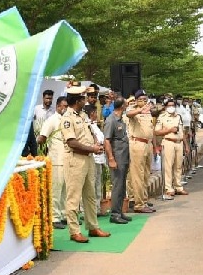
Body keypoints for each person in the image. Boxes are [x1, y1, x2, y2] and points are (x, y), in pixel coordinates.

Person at [61, 86, 111, 243]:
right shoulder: (67, 118)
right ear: (77, 101)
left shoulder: (83, 115)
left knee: (90, 195)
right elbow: (72, 142)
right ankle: (74, 231)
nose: (85, 101)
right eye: (83, 98)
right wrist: (92, 148)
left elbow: (89, 132)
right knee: (73, 197)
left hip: (88, 158)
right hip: (75, 159)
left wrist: (95, 143)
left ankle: (92, 226)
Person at [38, 95, 68, 229]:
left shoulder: (67, 119)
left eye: (67, 106)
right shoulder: (51, 120)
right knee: (56, 190)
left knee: (65, 190)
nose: (65, 108)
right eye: (64, 106)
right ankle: (55, 218)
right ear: (58, 106)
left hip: (67, 159)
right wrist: (44, 152)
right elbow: (42, 138)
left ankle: (64, 215)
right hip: (56, 159)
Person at [126, 89, 157, 214]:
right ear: (136, 100)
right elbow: (129, 114)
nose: (143, 101)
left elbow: (151, 130)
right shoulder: (133, 109)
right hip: (137, 144)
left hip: (147, 144)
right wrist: (140, 110)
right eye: (140, 99)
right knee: (137, 175)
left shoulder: (148, 112)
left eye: (145, 99)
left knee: (146, 175)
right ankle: (138, 204)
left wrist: (154, 146)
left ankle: (143, 200)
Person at [103, 95, 132, 224]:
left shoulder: (121, 120)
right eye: (126, 104)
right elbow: (107, 141)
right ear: (122, 106)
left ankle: (119, 211)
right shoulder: (111, 120)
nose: (127, 106)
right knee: (117, 186)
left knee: (122, 186)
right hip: (116, 157)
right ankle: (114, 214)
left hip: (123, 157)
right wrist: (111, 158)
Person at [155, 97, 189, 200]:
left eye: (172, 105)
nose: (171, 107)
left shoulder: (178, 116)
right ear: (165, 107)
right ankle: (169, 188)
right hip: (168, 142)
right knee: (168, 166)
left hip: (179, 143)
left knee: (178, 166)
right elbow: (157, 132)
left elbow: (182, 132)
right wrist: (169, 130)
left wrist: (186, 145)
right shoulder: (162, 117)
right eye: (169, 106)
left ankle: (178, 186)